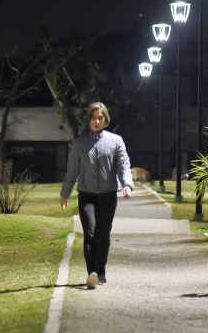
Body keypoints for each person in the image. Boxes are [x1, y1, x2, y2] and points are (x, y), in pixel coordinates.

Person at [60, 102, 134, 289]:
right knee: (90, 233)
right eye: (93, 117)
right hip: (87, 196)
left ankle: (101, 271)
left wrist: (127, 184)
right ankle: (91, 272)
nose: (97, 121)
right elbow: (72, 171)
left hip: (108, 196)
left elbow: (123, 165)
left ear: (105, 119)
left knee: (103, 235)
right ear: (88, 120)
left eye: (100, 117)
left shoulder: (116, 141)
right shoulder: (79, 144)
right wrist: (65, 194)